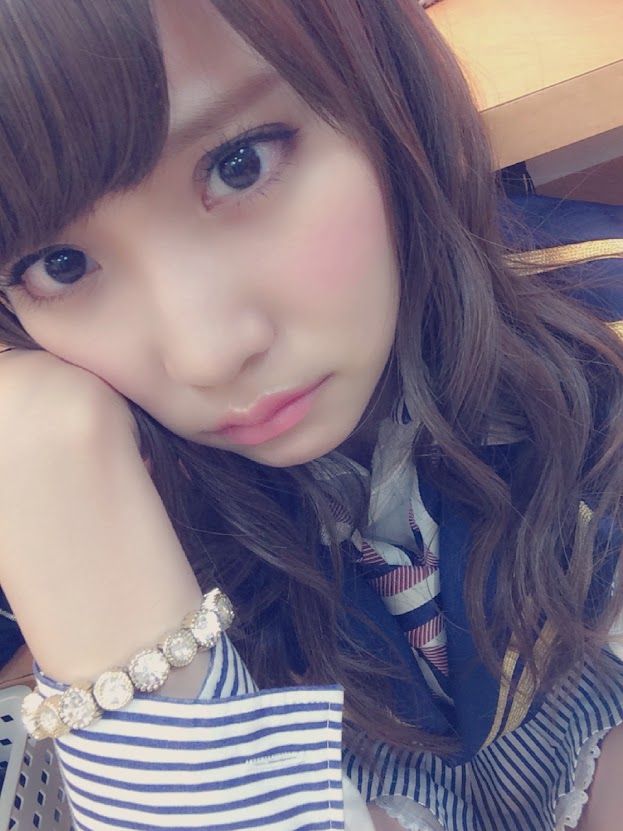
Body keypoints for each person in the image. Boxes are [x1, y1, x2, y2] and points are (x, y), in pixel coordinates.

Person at [0, 1, 622, 829]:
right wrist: (72, 519)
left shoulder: (595, 329)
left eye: (239, 164)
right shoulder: (57, 478)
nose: (205, 354)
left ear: (381, 83)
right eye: (59, 264)